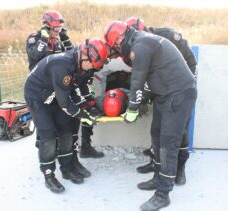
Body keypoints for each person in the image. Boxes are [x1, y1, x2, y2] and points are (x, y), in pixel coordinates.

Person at [104, 20, 197, 210]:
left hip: (178, 94)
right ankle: (157, 177)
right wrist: (132, 103)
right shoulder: (142, 40)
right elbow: (147, 81)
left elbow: (137, 80)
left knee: (167, 143)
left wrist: (132, 109)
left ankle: (163, 194)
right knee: (156, 135)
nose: (117, 50)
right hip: (165, 94)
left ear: (120, 39)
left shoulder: (140, 45)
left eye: (115, 46)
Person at [24, 38, 108, 193]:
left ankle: (67, 168)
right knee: (48, 136)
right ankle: (49, 175)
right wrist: (83, 115)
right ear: (84, 55)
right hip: (37, 96)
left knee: (66, 132)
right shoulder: (61, 65)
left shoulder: (82, 65)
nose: (91, 68)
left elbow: (77, 90)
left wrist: (87, 108)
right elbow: (65, 102)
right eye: (91, 64)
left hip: (55, 94)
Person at [125, 17, 197, 185]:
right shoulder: (143, 45)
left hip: (181, 89)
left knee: (178, 133)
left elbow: (191, 61)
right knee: (158, 132)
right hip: (164, 90)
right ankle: (157, 167)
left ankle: (179, 170)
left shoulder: (169, 36)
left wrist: (187, 84)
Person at [26, 10, 103, 160]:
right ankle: (46, 152)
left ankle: (67, 154)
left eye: (60, 29)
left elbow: (70, 58)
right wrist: (43, 38)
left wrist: (65, 38)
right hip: (42, 87)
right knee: (46, 127)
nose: (58, 32)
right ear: (46, 27)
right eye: (56, 29)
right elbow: (35, 55)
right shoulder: (35, 38)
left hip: (59, 85)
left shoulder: (59, 42)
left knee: (64, 120)